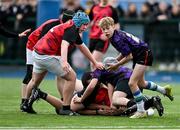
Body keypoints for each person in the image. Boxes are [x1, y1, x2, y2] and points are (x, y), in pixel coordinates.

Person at [21, 11, 104, 116]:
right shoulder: (72, 29)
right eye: (84, 24)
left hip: (37, 53)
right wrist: (64, 62)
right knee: (72, 77)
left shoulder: (71, 27)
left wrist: (95, 62)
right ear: (78, 23)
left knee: (34, 81)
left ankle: (25, 104)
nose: (86, 27)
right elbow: (64, 45)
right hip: (46, 55)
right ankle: (65, 108)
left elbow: (82, 47)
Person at [98, 17, 174, 118]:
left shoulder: (117, 38)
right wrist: (116, 60)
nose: (105, 31)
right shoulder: (115, 36)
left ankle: (141, 110)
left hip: (143, 54)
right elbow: (124, 52)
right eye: (103, 29)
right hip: (140, 54)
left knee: (132, 83)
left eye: (107, 28)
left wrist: (116, 65)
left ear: (113, 26)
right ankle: (164, 90)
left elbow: (129, 56)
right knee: (140, 83)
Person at [20, 10, 75, 110]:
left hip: (48, 51)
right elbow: (42, 41)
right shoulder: (54, 25)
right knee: (31, 75)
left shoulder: (69, 28)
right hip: (34, 46)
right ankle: (24, 101)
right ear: (70, 20)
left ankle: (63, 99)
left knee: (60, 76)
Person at [73, 58, 164, 117]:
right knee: (123, 106)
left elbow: (91, 86)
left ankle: (136, 105)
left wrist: (81, 99)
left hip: (125, 80)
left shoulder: (98, 71)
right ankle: (151, 102)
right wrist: (112, 105)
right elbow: (110, 86)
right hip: (134, 80)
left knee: (118, 100)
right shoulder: (112, 75)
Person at [88, 0, 119, 70]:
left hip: (102, 38)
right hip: (92, 37)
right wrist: (90, 24)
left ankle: (96, 79)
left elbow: (117, 25)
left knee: (95, 62)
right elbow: (88, 22)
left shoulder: (111, 9)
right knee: (92, 63)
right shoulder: (94, 7)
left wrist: (108, 35)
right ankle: (100, 79)